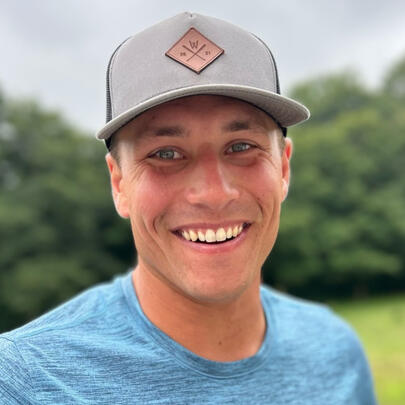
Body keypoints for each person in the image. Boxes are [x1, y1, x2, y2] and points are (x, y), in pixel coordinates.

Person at [0, 12, 377, 404]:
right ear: (119, 183)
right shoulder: (22, 382)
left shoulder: (336, 353)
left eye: (241, 147)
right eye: (166, 153)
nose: (213, 194)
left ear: (282, 168)